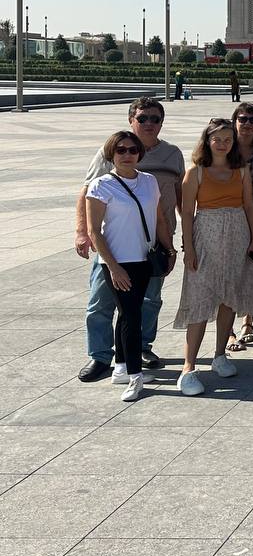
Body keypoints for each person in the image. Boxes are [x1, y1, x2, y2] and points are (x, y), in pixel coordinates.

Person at [75, 97, 183, 382]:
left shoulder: (172, 154)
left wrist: (178, 240)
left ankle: (141, 348)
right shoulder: (110, 150)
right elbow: (87, 191)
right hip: (113, 245)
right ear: (131, 120)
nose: (149, 123)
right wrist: (82, 231)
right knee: (101, 302)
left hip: (153, 244)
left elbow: (180, 197)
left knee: (149, 300)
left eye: (155, 119)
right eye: (142, 118)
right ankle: (100, 356)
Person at [174, 118, 253, 396]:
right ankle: (188, 367)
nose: (223, 144)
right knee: (200, 299)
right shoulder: (196, 172)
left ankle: (220, 354)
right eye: (217, 139)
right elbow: (187, 212)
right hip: (207, 237)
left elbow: (249, 206)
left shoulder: (241, 170)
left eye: (228, 139)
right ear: (207, 141)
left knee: (229, 296)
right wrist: (189, 248)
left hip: (237, 235)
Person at [85, 130, 175, 401]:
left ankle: (122, 368)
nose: (127, 155)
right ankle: (136, 377)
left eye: (132, 150)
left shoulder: (148, 181)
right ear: (111, 154)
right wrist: (113, 267)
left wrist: (169, 248)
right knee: (132, 316)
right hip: (117, 262)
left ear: (140, 154)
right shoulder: (101, 185)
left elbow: (159, 219)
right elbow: (94, 231)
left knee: (128, 314)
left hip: (144, 258)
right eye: (121, 150)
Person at [228, 102, 253, 352]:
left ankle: (248, 322)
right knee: (230, 272)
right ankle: (228, 330)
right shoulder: (224, 147)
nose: (247, 124)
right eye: (243, 119)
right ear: (235, 121)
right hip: (229, 217)